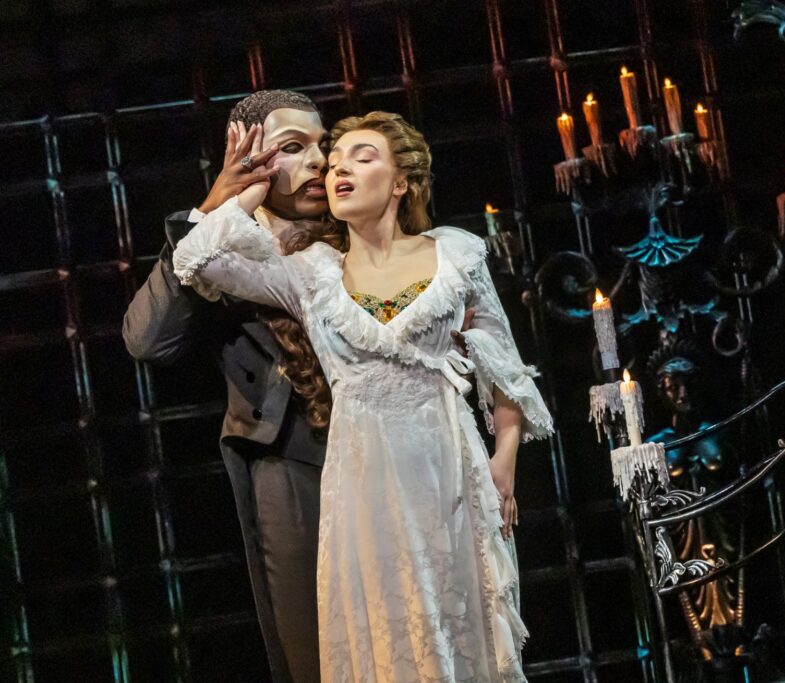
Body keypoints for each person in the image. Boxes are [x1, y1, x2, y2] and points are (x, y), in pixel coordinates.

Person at [171, 110, 553, 682]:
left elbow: (503, 365)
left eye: (362, 156)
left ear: (401, 182)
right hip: (363, 487)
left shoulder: (455, 255)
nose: (339, 169)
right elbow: (197, 257)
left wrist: (505, 460)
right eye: (334, 163)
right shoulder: (310, 274)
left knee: (459, 633)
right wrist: (251, 188)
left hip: (450, 475)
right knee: (387, 635)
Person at [123, 89, 334, 683]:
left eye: (322, 144)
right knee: (316, 651)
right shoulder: (220, 251)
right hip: (291, 459)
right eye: (293, 147)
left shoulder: (359, 226)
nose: (319, 161)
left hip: (387, 452)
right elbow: (148, 340)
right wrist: (210, 213)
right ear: (247, 157)